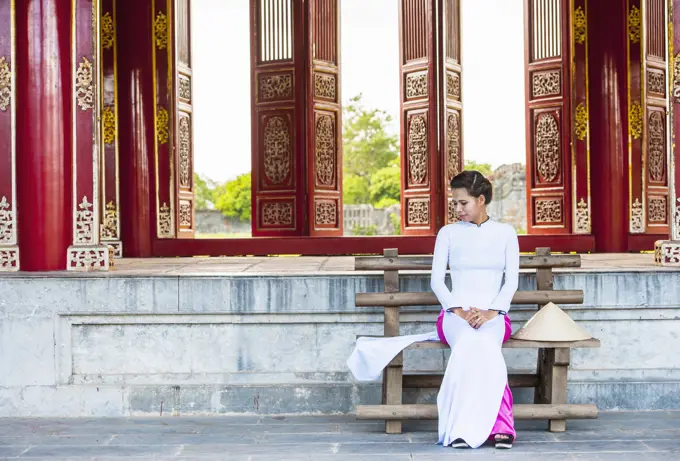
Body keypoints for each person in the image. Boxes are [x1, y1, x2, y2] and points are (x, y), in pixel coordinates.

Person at [346, 170, 519, 450]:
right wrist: (459, 311)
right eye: (455, 203)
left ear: (482, 200)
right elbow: (437, 280)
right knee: (467, 342)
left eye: (463, 203)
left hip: (494, 316)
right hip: (453, 316)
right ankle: (463, 427)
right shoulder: (448, 234)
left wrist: (492, 312)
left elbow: (511, 280)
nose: (457, 209)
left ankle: (499, 424)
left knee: (485, 343)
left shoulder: (506, 234)